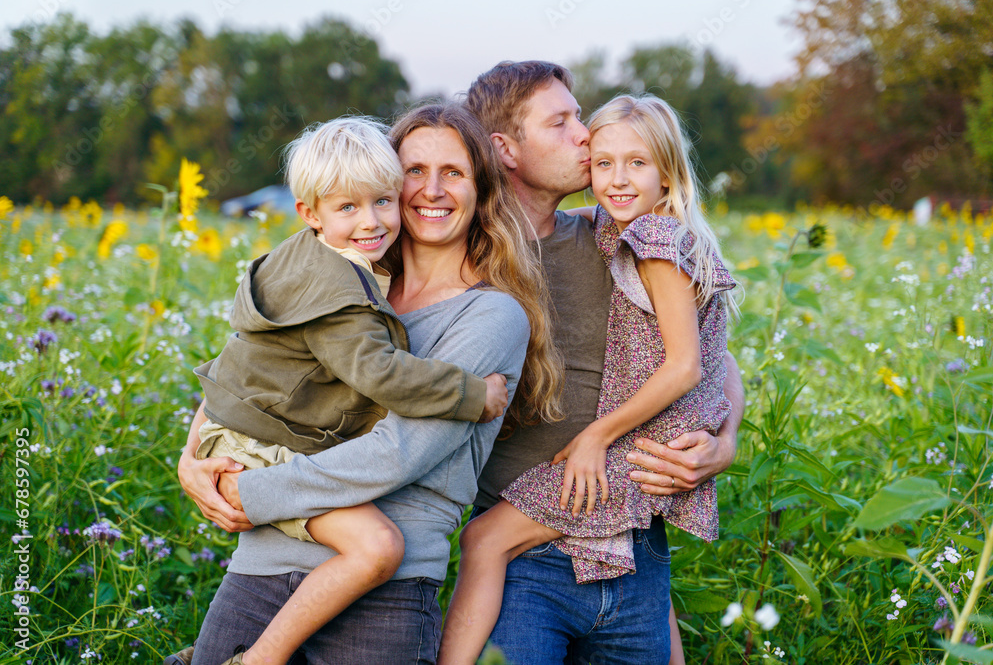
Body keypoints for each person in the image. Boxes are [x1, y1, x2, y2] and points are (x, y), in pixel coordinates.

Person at [175, 103, 563, 664]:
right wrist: (192, 460)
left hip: (385, 593)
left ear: (482, 190)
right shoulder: (345, 278)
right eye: (414, 171)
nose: (431, 190)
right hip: (260, 567)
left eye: (453, 172)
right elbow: (248, 367)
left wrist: (248, 491)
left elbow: (400, 453)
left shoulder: (491, 317)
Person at [440, 93, 740, 664]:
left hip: (632, 456)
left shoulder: (650, 241)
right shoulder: (627, 231)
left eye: (636, 163)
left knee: (482, 540)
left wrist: (717, 443)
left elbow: (696, 363)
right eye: (604, 162)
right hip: (628, 478)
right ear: (505, 148)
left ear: (669, 173)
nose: (586, 144)